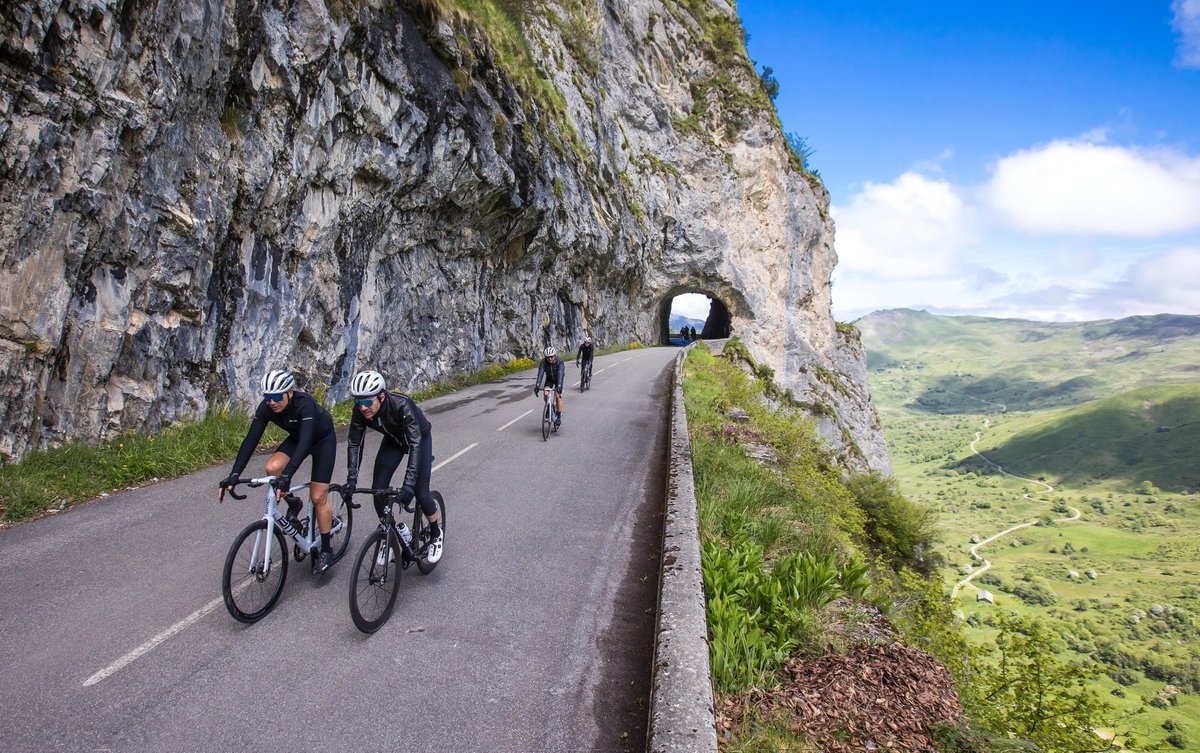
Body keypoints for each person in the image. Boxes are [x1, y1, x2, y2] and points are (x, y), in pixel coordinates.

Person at [219, 369, 339, 573]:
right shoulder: (266, 408)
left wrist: (288, 476)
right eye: (267, 397)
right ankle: (294, 502)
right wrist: (235, 474)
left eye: (276, 397)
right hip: (297, 438)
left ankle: (327, 549)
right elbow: (251, 440)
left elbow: (305, 442)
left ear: (290, 393)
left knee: (318, 497)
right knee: (271, 468)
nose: (272, 402)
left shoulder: (305, 403)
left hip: (321, 441)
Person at [344, 370, 443, 564]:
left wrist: (408, 484)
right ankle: (396, 532)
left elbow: (415, 445)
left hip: (419, 440)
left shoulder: (402, 406)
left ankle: (435, 532)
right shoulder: (360, 411)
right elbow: (355, 444)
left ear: (381, 396)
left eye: (366, 402)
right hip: (394, 441)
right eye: (358, 402)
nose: (362, 408)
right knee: (378, 490)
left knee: (420, 491)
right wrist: (351, 479)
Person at [534, 346, 565, 426]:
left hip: (558, 379)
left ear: (554, 356)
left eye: (551, 357)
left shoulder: (559, 362)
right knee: (545, 393)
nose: (550, 359)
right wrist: (537, 385)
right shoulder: (543, 362)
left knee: (557, 396)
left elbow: (560, 373)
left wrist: (559, 386)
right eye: (548, 357)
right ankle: (548, 406)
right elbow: (540, 374)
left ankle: (558, 416)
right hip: (549, 379)